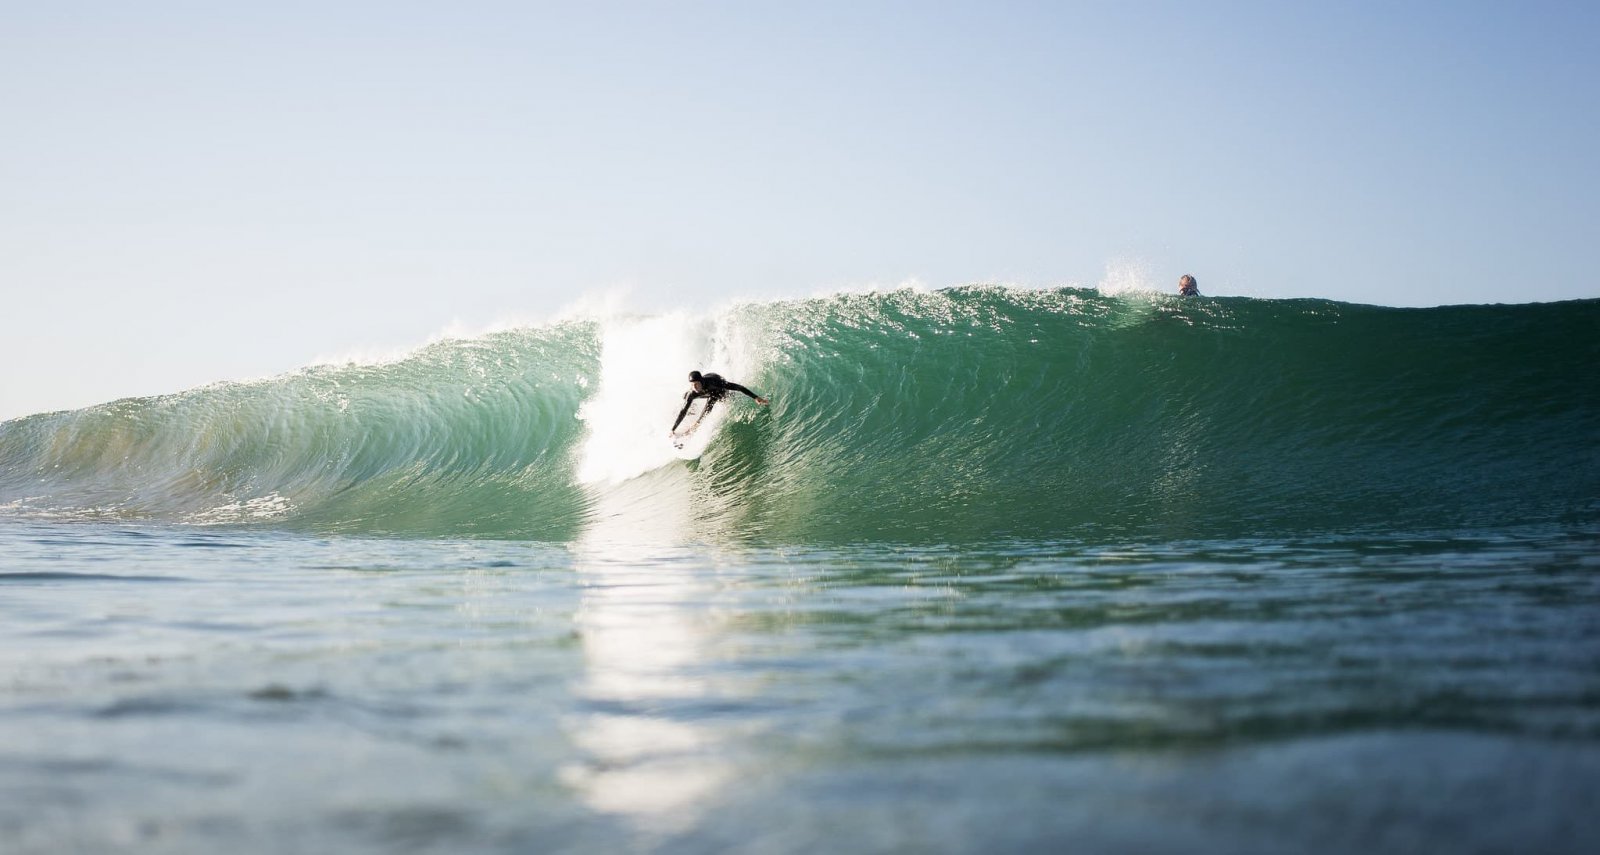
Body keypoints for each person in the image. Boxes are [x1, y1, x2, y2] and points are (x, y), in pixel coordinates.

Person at [671, 370, 769, 432]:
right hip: (706, 391)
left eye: (696, 384)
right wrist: (673, 429)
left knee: (711, 403)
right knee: (687, 397)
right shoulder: (693, 391)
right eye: (692, 384)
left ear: (700, 381)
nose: (694, 387)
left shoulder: (714, 383)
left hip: (719, 390)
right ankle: (692, 411)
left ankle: (697, 425)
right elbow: (683, 412)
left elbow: (738, 387)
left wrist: (756, 397)